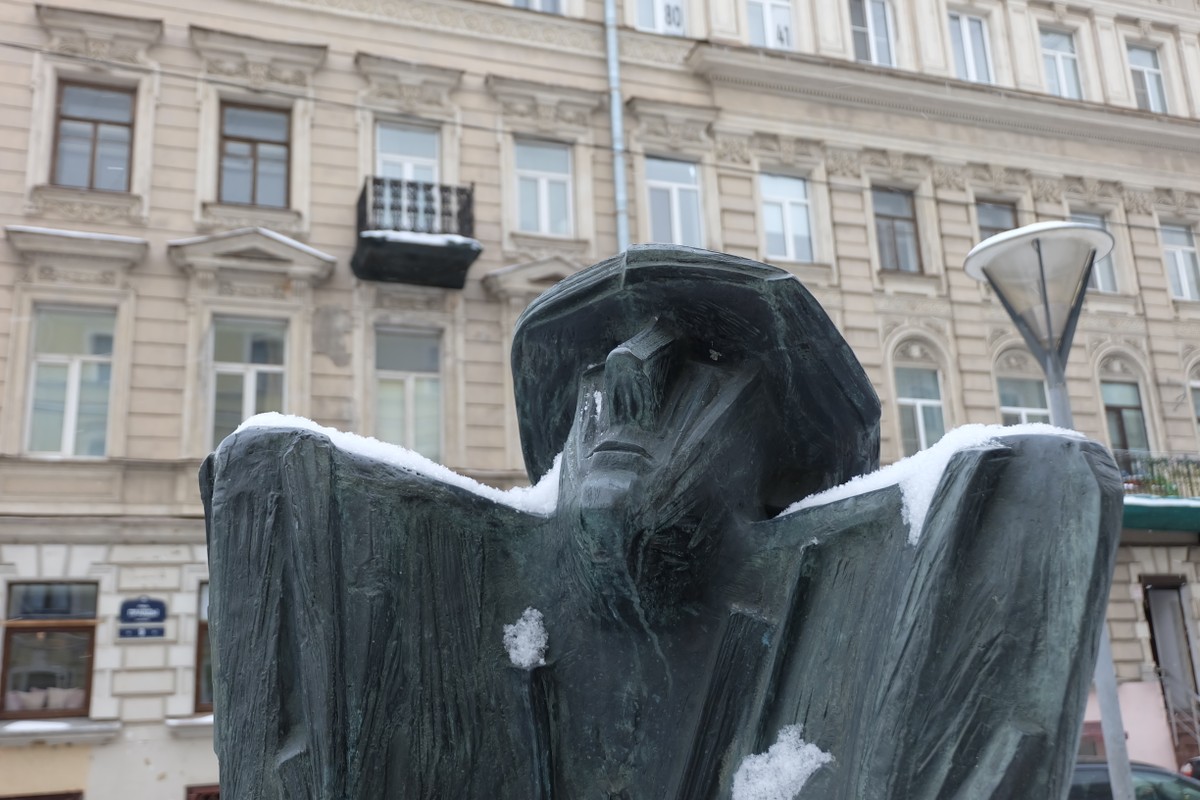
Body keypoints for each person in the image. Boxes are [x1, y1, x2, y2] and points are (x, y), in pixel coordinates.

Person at [203, 245, 1122, 799]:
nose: (634, 370)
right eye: (596, 363)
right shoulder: (441, 609)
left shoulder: (865, 629)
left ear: (784, 451)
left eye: (705, 358)